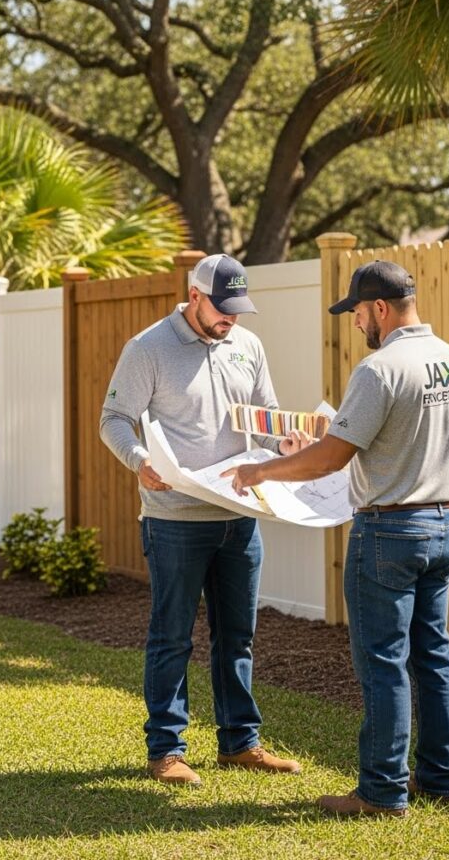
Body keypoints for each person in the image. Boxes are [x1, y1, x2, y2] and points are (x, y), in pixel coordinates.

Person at [223, 260, 449, 818]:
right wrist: (312, 450)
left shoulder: (379, 369)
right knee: (434, 658)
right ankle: (438, 780)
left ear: (380, 308)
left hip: (389, 532)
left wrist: (260, 472)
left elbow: (335, 457)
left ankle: (382, 792)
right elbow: (409, 441)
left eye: (358, 312)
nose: (357, 323)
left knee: (383, 662)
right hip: (444, 524)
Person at [99, 254, 304, 787]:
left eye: (238, 309)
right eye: (222, 308)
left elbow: (263, 423)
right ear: (194, 296)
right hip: (174, 520)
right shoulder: (147, 349)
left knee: (237, 635)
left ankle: (240, 743)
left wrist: (281, 442)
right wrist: (140, 462)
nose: (230, 319)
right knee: (172, 637)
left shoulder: (248, 347)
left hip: (240, 516)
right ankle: (166, 750)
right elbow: (114, 419)